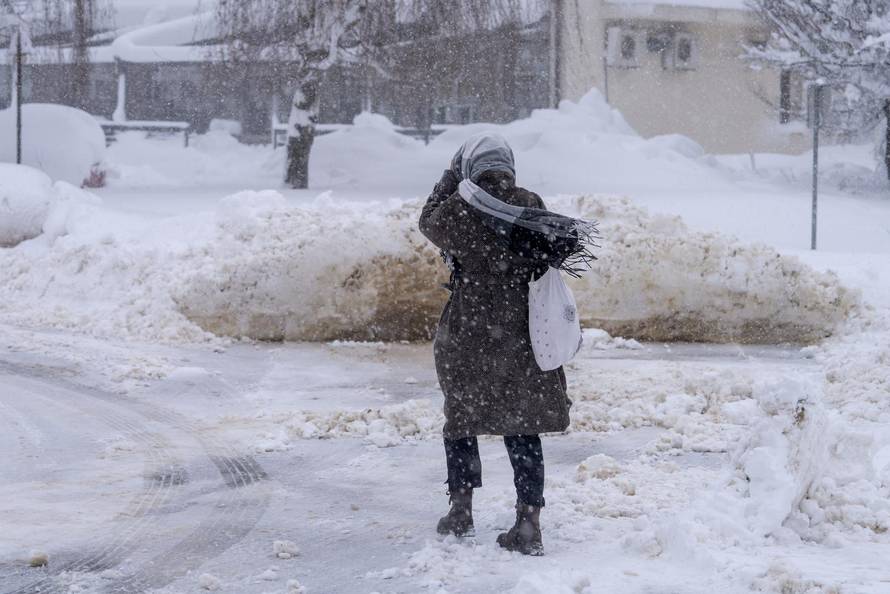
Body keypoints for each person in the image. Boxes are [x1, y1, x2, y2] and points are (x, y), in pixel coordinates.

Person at [418, 134, 573, 556]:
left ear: (469, 168)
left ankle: (462, 510)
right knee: (521, 424)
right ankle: (528, 522)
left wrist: (451, 178)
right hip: (521, 329)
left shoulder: (457, 210)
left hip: (469, 330)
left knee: (462, 419)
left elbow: (426, 220)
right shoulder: (529, 203)